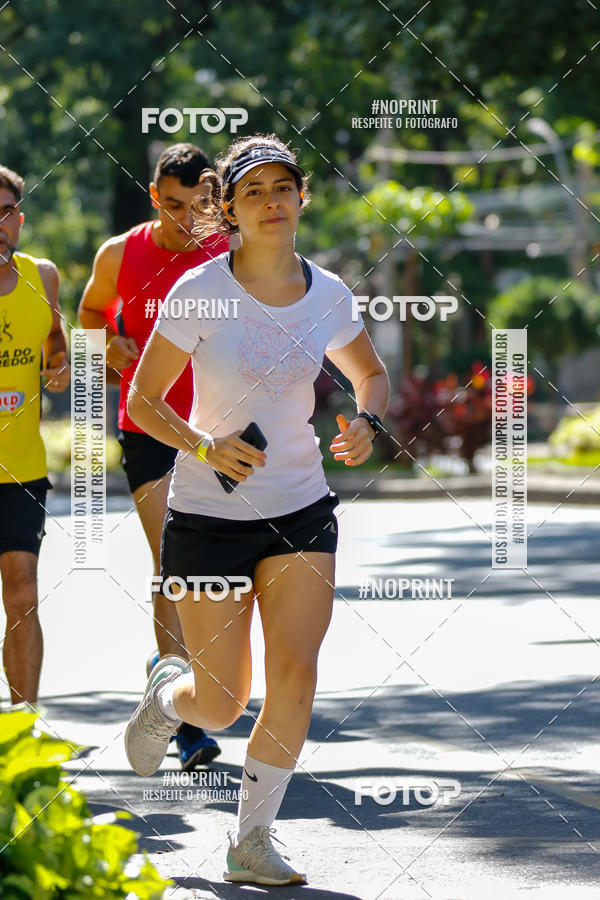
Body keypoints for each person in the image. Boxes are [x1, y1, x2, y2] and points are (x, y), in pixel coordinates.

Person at [124, 134, 389, 885]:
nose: (273, 202)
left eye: (284, 188)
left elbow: (369, 373)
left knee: (297, 674)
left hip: (301, 507)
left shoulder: (329, 292)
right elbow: (144, 401)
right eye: (254, 192)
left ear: (302, 198)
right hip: (207, 515)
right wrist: (204, 446)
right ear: (231, 211)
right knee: (219, 703)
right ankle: (165, 699)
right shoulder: (200, 291)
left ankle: (252, 841)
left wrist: (366, 418)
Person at [78, 143, 228, 768]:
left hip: (219, 430)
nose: (185, 220)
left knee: (217, 570)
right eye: (172, 206)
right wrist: (108, 343)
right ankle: (183, 715)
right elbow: (88, 314)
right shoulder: (120, 253)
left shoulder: (228, 254)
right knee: (174, 557)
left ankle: (178, 677)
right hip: (147, 429)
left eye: (199, 207)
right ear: (152, 197)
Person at [0, 164, 70, 705]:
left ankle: (24, 731)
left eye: (5, 214)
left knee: (22, 594)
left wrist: (59, 363)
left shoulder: (41, 276)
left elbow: (55, 343)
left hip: (21, 467)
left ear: (19, 221)